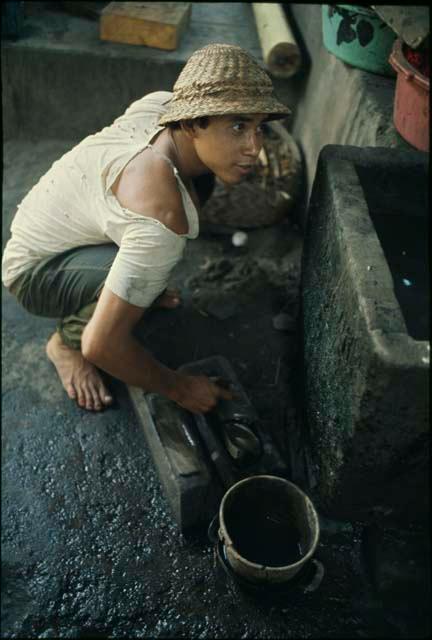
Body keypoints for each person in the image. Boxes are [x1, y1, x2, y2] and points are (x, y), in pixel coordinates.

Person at [2, 43, 290, 414]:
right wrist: (180, 387)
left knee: (180, 213)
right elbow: (101, 345)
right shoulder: (162, 216)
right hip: (34, 273)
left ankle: (135, 283)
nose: (255, 148)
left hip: (62, 226)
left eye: (258, 128)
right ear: (192, 122)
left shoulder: (162, 105)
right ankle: (62, 344)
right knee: (151, 261)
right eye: (237, 127)